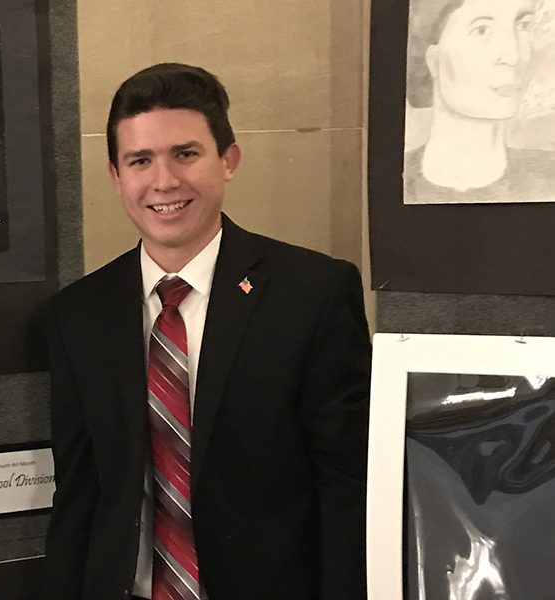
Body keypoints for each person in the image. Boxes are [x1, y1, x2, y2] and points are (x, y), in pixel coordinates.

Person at [44, 63, 371, 599]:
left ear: (229, 160)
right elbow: (79, 493)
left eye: (186, 154)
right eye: (141, 160)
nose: (164, 181)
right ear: (116, 176)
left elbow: (346, 484)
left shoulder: (312, 294)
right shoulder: (78, 314)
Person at [404, 0, 555, 203]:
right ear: (433, 58)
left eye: (523, 25)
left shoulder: (548, 177)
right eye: (482, 30)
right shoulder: (394, 180)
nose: (513, 56)